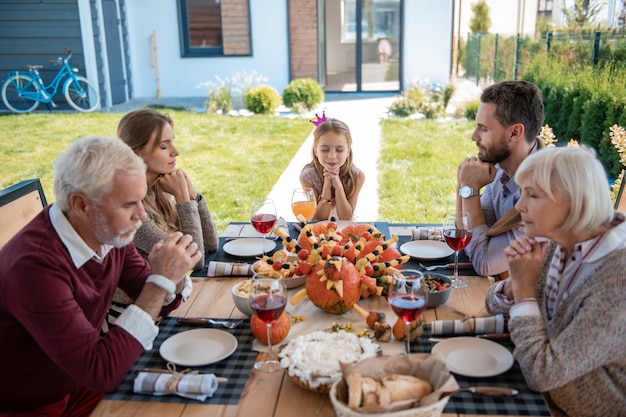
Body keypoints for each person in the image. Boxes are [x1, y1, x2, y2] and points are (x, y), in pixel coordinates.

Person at [0, 136, 202, 415]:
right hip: (31, 404)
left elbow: (163, 302)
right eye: (129, 204)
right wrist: (160, 282)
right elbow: (101, 371)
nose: (142, 216)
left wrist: (173, 273)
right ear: (81, 204)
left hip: (80, 379)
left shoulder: (105, 232)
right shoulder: (34, 268)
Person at [485, 146, 626, 417]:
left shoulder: (616, 281)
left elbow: (544, 372)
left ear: (575, 202)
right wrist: (514, 284)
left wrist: (525, 292)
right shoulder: (560, 240)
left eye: (532, 195)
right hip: (540, 396)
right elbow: (494, 305)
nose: (519, 206)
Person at [105, 109, 219, 328]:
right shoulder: (129, 207)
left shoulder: (159, 189)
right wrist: (184, 199)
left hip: (171, 300)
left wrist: (193, 195)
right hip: (135, 316)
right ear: (136, 154)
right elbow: (194, 259)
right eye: (164, 146)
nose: (175, 152)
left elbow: (212, 244)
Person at [456, 80, 545, 278]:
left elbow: (484, 262)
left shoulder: (541, 195)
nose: (474, 136)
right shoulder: (498, 169)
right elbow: (464, 233)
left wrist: (469, 188)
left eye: (484, 129)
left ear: (514, 133)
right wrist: (462, 184)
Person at [300, 113, 365, 222]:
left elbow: (346, 217)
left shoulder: (357, 176)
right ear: (316, 151)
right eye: (325, 150)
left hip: (344, 231)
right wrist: (327, 186)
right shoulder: (307, 177)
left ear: (347, 151)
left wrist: (337, 184)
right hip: (318, 231)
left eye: (339, 150)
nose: (332, 156)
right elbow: (320, 217)